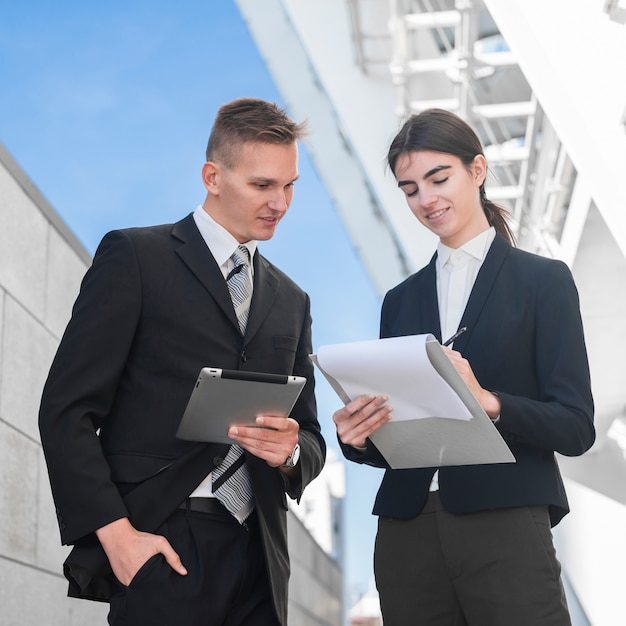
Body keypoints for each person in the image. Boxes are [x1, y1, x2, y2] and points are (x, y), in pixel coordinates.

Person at [39, 97, 326, 626]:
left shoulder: (293, 300)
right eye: (262, 185)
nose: (280, 203)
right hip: (162, 546)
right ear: (212, 176)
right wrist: (117, 537)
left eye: (289, 186)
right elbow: (66, 411)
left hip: (260, 560)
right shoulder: (135, 258)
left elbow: (310, 435)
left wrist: (291, 452)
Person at [332, 108, 595, 626]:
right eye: (410, 189)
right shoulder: (399, 301)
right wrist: (358, 437)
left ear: (477, 170)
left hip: (505, 520)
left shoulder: (543, 282)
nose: (426, 199)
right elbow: (402, 440)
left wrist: (490, 402)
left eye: (438, 178)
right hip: (407, 531)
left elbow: (576, 426)